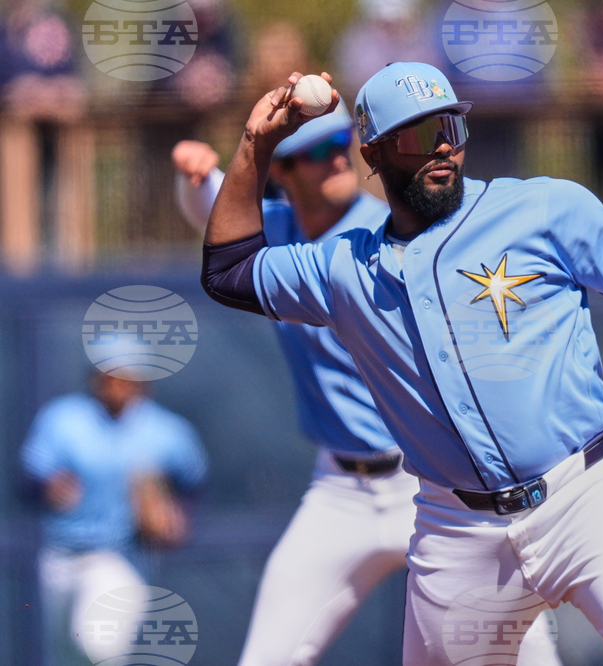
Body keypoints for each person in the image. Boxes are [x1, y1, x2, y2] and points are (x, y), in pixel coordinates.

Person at [200, 63, 603, 665]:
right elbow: (228, 271)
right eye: (420, 134)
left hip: (591, 493)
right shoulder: (341, 266)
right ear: (373, 152)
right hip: (458, 531)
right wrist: (255, 146)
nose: (443, 144)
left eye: (451, 126)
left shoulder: (543, 208)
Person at [173, 107, 562, 666]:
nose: (334, 157)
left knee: (522, 654)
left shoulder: (385, 231)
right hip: (340, 491)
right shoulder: (278, 229)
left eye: (338, 142)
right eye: (312, 152)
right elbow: (212, 208)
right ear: (280, 171)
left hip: (430, 482)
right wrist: (197, 175)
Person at [21, 370, 207, 666]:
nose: (117, 384)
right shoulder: (64, 417)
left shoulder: (164, 429)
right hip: (60, 553)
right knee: (63, 653)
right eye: (109, 374)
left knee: (97, 647)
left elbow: (192, 483)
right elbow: (30, 477)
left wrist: (175, 518)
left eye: (126, 375)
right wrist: (49, 487)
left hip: (121, 553)